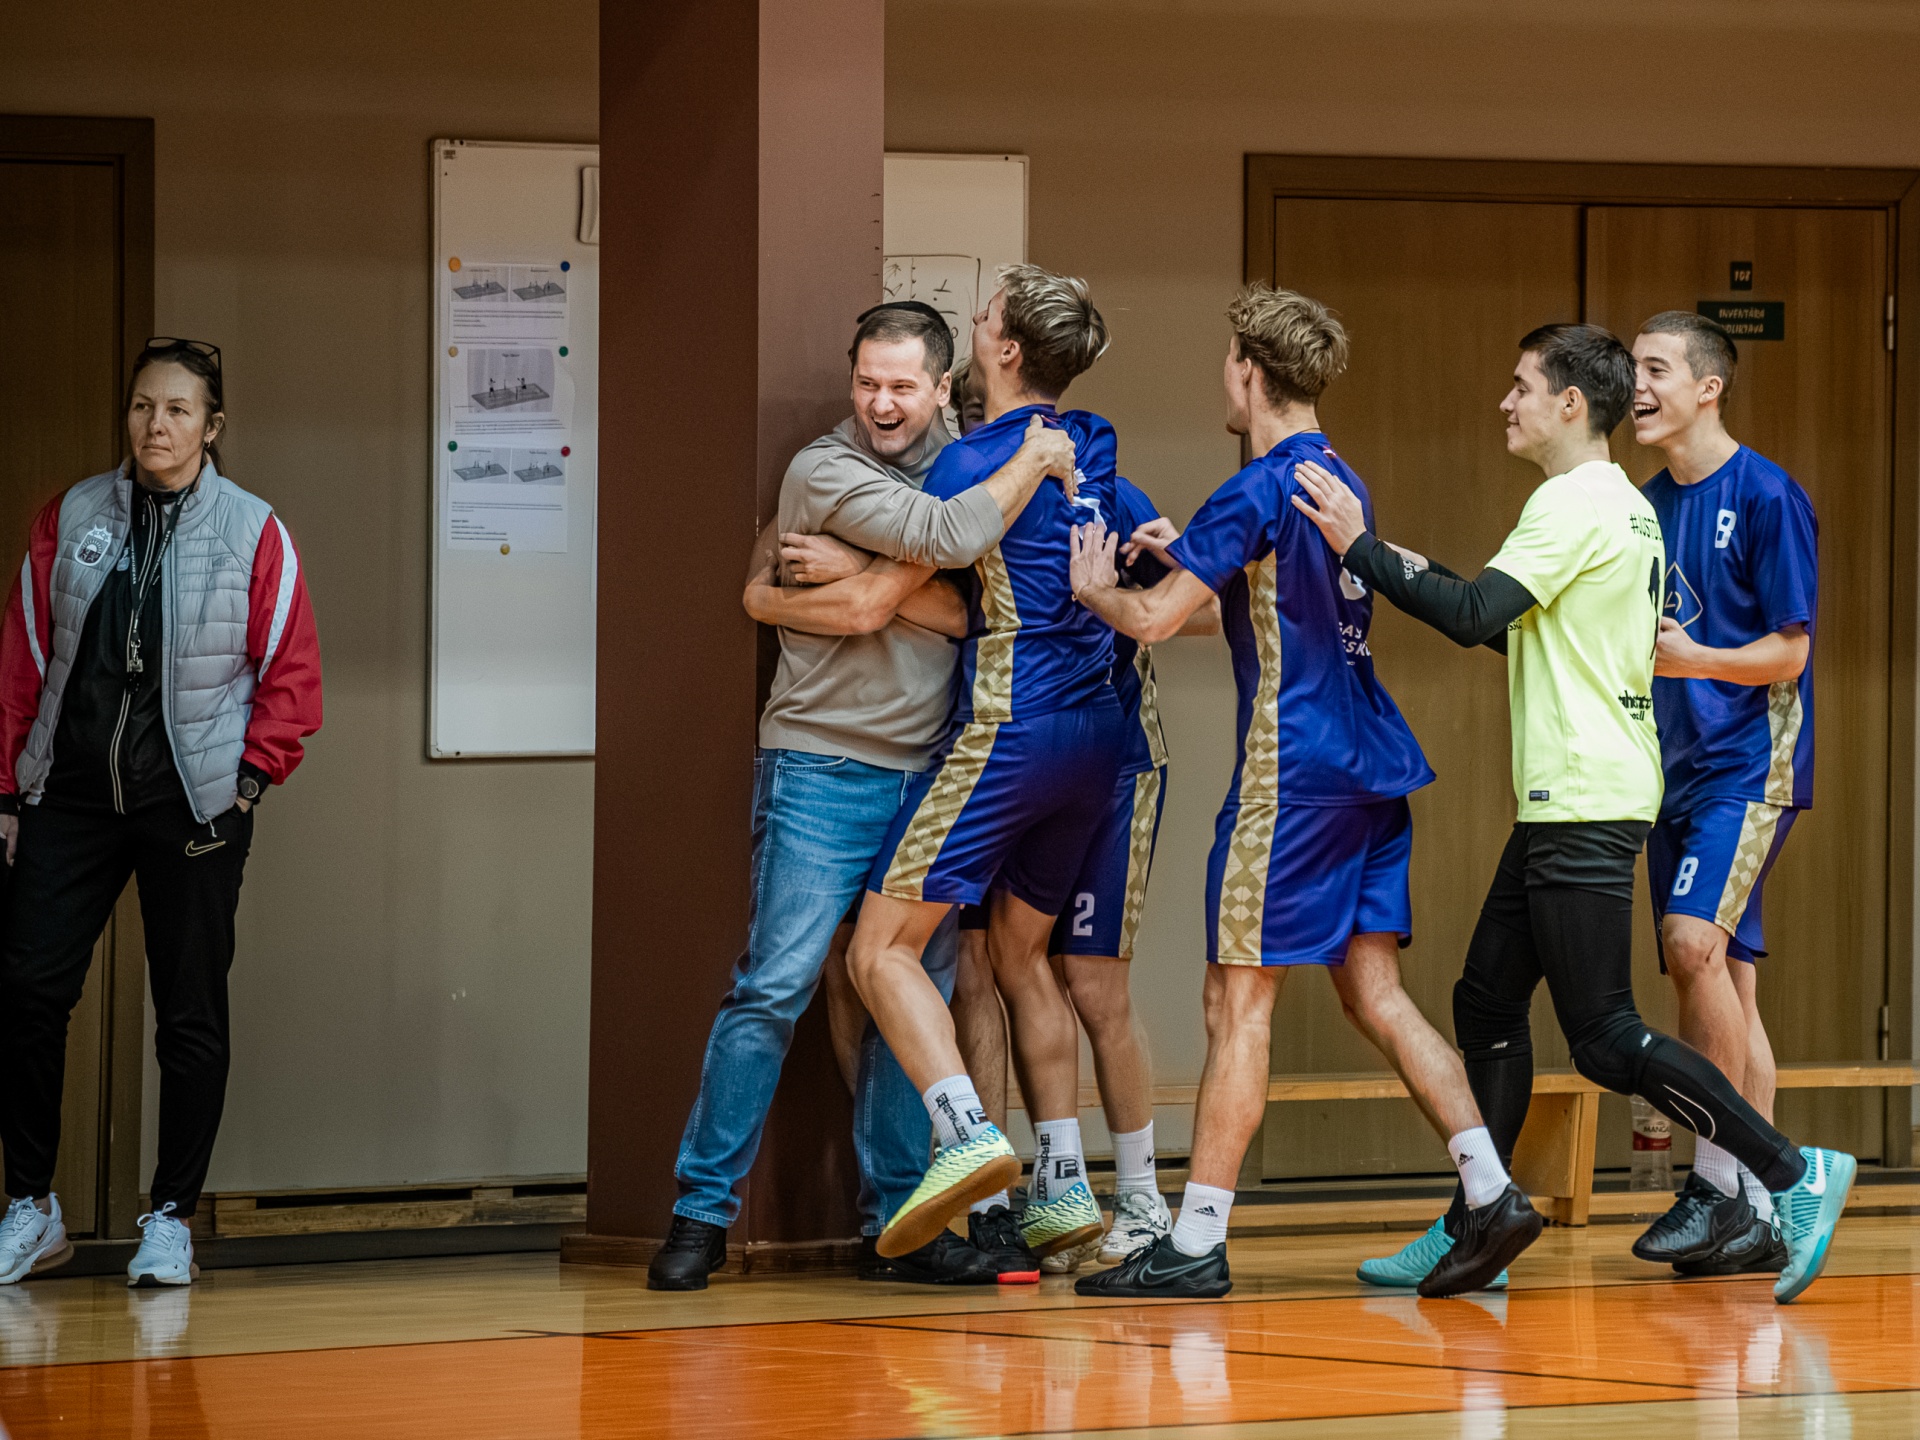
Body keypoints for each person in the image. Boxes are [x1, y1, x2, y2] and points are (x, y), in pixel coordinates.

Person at [1304, 322, 1851, 1305]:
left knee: (1602, 1034)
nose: (1505, 403)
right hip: (1579, 793)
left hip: (1586, 797)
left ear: (1567, 403)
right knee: (1486, 1000)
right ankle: (1483, 1214)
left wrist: (1362, 549)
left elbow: (1474, 616)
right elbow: (1519, 630)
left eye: (1520, 387)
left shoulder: (1572, 502)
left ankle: (1788, 1170)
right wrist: (1408, 568)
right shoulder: (1630, 508)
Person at [1068, 284, 1534, 1301]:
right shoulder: (1335, 477)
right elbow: (1264, 607)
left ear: (1248, 369)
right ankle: (1492, 1190)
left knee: (1236, 1001)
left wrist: (1097, 585)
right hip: (1371, 766)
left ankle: (1195, 1241)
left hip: (1293, 776)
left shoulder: (1257, 485)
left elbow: (1153, 622)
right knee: (1376, 995)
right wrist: (1188, 560)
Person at [645, 301, 1077, 1291]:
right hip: (821, 767)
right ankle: (700, 1213)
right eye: (867, 383)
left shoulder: (964, 463)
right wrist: (1029, 465)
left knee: (906, 998)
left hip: (931, 775)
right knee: (774, 988)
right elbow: (949, 545)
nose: (881, 403)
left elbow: (975, 617)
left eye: (902, 386)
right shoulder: (824, 470)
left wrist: (862, 574)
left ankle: (904, 1228)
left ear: (941, 387)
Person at [0, 337, 323, 1289]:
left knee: (188, 1014)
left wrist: (249, 785)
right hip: (68, 798)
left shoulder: (254, 531)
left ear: (211, 426)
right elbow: (24, 657)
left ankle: (171, 1218)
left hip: (193, 805)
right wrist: (9, 788)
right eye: (144, 406)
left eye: (179, 409)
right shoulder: (70, 516)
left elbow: (292, 673)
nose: (157, 425)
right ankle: (31, 1207)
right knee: (26, 992)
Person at [845, 264, 1126, 1267]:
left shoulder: (967, 464)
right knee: (1017, 956)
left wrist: (836, 570)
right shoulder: (1096, 444)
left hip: (1014, 724)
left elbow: (902, 586)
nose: (972, 321)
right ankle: (1062, 1187)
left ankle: (965, 1133)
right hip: (1099, 737)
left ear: (1005, 350)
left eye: (986, 316)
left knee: (878, 952)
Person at [1628, 311, 1816, 1276]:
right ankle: (1771, 1207)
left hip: (1749, 764)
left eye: (1655, 369)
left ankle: (1716, 1185)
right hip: (1674, 770)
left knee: (1691, 945)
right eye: (1632, 369)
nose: (1637, 386)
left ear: (1709, 386)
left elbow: (1791, 652)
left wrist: (1696, 658)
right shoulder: (1644, 505)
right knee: (1724, 982)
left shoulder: (1768, 494)